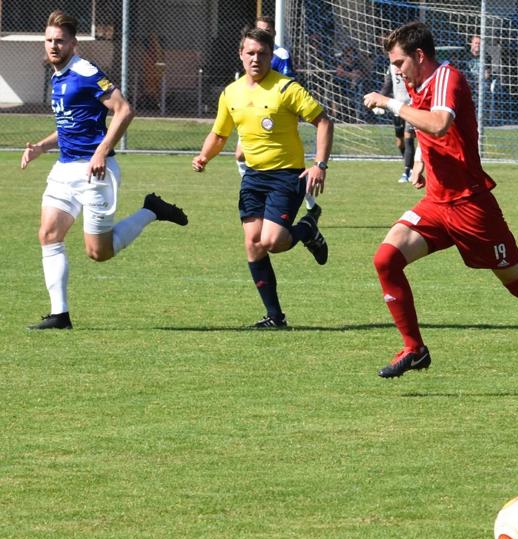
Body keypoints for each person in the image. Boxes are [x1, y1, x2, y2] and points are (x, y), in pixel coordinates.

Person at [362, 22, 518, 393]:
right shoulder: (419, 85)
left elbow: (438, 123)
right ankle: (414, 348)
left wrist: (391, 103)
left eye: (400, 62)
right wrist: (421, 158)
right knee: (386, 258)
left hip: (472, 207)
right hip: (437, 204)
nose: (397, 71)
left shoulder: (446, 78)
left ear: (420, 56)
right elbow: (431, 133)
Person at [20, 10, 188, 330]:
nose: (53, 46)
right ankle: (60, 315)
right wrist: (42, 147)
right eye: (49, 40)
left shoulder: (85, 71)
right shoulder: (57, 75)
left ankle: (151, 210)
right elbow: (71, 126)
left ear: (73, 43)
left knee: (99, 253)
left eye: (60, 41)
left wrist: (102, 149)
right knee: (48, 234)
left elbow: (125, 109)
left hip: (95, 172)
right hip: (64, 170)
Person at [192, 27, 333, 328]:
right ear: (240, 54)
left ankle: (307, 230)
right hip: (253, 178)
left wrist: (320, 164)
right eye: (250, 53)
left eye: (262, 54)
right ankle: (275, 317)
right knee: (253, 245)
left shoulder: (287, 88)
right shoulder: (231, 93)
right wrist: (204, 156)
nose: (256, 59)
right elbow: (219, 134)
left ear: (271, 56)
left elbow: (323, 121)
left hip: (286, 176)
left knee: (272, 241)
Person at [238, 17, 319, 214]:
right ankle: (258, 193)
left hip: (273, 114)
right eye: (259, 29)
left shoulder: (280, 54)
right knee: (241, 154)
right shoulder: (252, 51)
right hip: (251, 111)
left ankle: (309, 202)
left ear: (273, 33)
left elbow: (288, 80)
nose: (263, 33)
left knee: (278, 161)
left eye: (267, 30)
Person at [379, 64, 416, 182]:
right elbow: (387, 85)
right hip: (397, 108)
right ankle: (410, 164)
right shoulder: (390, 67)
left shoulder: (410, 64)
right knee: (399, 143)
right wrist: (379, 98)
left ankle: (407, 171)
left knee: (408, 137)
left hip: (411, 106)